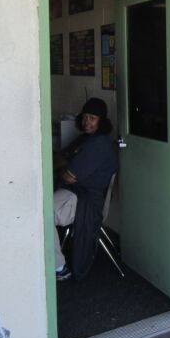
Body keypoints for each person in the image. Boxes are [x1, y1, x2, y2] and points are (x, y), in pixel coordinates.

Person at [53, 98, 118, 281]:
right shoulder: (87, 139)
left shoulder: (99, 145)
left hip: (86, 200)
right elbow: (62, 157)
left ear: (101, 122)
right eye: (85, 117)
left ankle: (59, 267)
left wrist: (64, 167)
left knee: (42, 213)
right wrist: (64, 164)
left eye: (93, 118)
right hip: (75, 192)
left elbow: (68, 176)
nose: (87, 122)